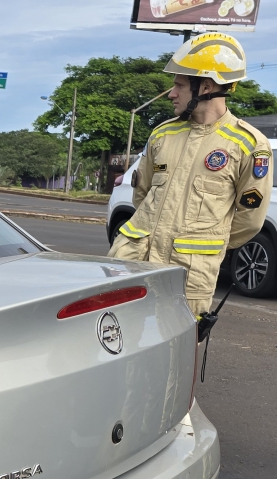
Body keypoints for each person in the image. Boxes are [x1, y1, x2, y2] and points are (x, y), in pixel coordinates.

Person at [110, 33, 272, 318]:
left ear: (206, 86)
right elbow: (141, 194)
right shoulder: (162, 134)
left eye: (179, 85)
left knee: (176, 355)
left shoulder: (248, 145)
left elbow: (249, 220)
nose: (172, 93)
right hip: (132, 262)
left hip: (189, 274)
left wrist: (205, 244)